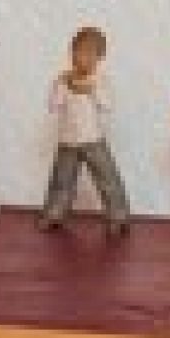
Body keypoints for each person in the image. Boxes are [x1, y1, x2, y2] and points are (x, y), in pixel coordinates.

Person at [40, 25, 130, 237]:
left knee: (107, 178)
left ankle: (118, 216)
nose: (82, 57)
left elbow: (108, 105)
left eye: (89, 53)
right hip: (68, 140)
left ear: (100, 57)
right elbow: (53, 106)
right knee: (62, 180)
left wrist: (92, 90)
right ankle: (54, 213)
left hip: (93, 139)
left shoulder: (100, 81)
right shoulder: (63, 80)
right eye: (77, 51)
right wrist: (60, 85)